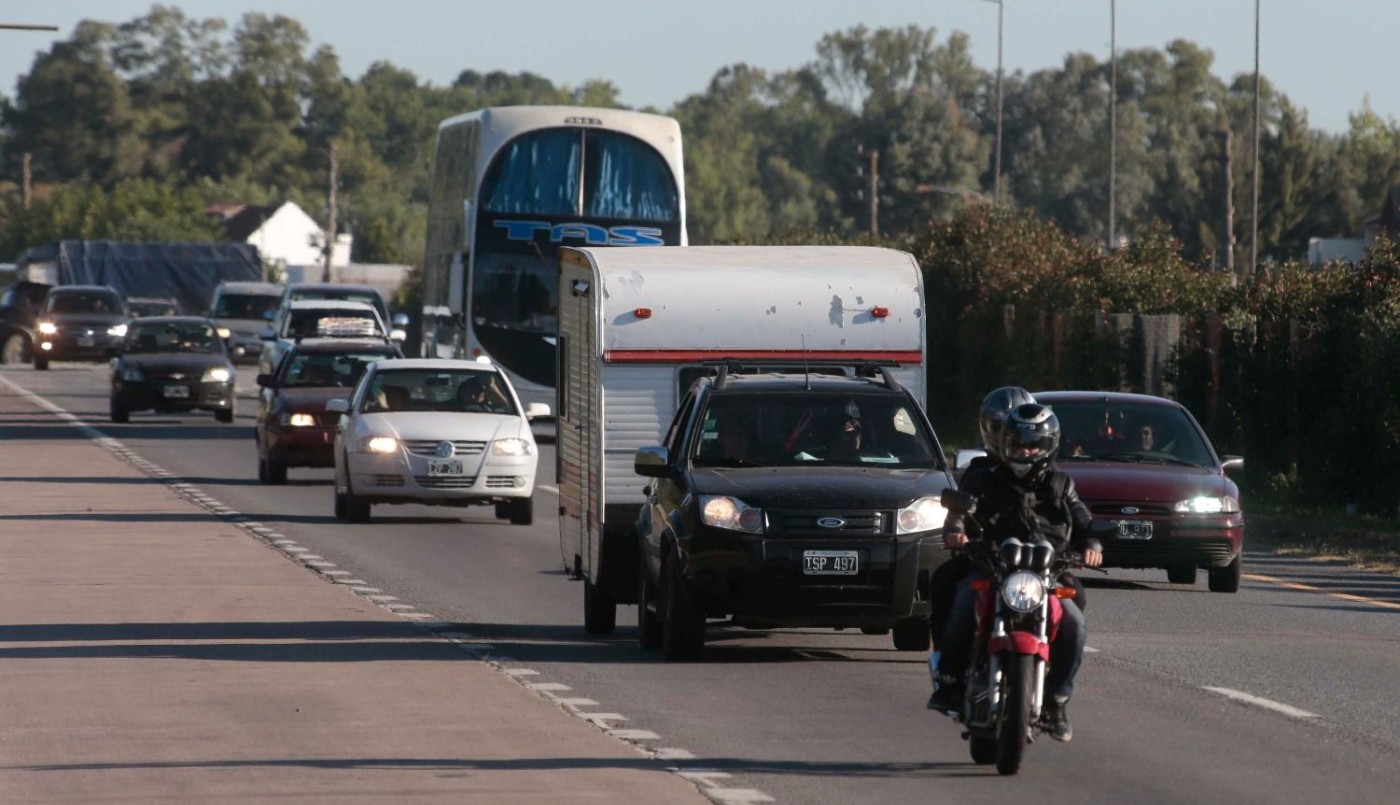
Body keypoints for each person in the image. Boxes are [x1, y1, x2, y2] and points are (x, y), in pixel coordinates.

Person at [928, 402, 1103, 743]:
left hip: (1047, 573)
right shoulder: (984, 478)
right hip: (993, 566)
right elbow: (961, 509)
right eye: (1019, 444)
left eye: (1033, 445)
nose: (1025, 451)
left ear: (1049, 446)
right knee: (963, 600)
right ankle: (949, 682)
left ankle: (1057, 700)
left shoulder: (1061, 483)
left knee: (1074, 622)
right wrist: (957, 530)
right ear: (1005, 443)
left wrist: (1092, 543)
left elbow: (1082, 519)